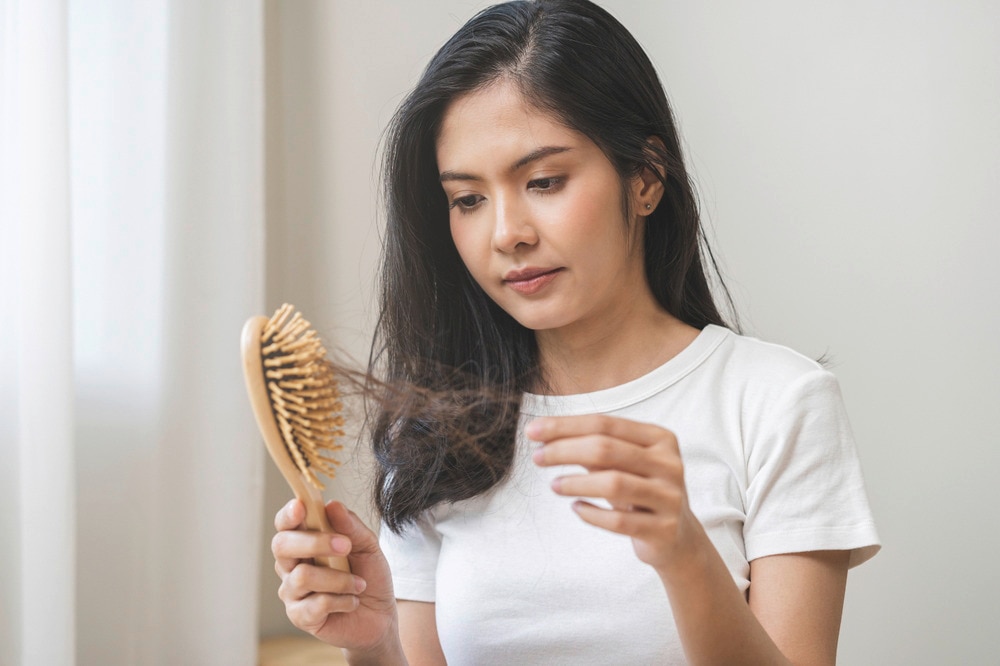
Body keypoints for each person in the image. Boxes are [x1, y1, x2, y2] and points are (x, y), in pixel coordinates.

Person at [271, 0, 880, 663]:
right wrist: (374, 639)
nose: (507, 234)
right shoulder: (437, 433)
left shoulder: (776, 402)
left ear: (646, 177)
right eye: (468, 199)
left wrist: (685, 556)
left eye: (544, 180)